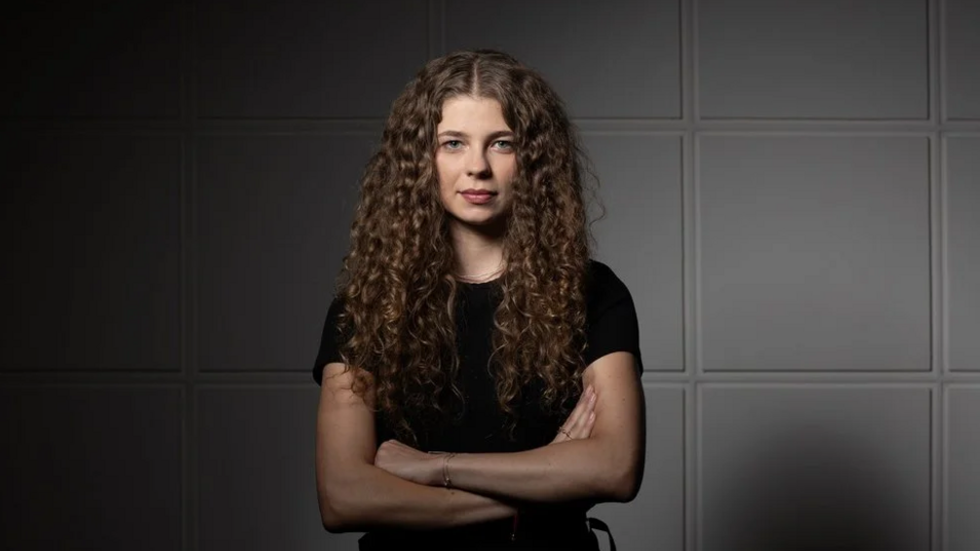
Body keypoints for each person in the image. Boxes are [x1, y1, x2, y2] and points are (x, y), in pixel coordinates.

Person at [312, 49, 645, 551]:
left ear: (533, 160)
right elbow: (343, 498)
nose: (477, 167)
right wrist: (543, 484)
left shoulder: (593, 293)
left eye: (502, 143)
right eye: (452, 143)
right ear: (420, 161)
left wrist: (434, 468)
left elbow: (616, 469)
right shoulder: (366, 305)